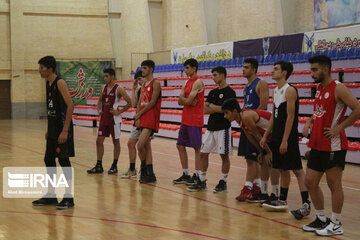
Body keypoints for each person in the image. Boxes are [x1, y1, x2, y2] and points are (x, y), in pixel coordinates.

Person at [302, 55, 360, 236]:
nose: (312, 73)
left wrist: (340, 127)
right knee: (310, 182)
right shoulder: (319, 88)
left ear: (325, 70)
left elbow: (358, 109)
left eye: (315, 70)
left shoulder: (338, 88)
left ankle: (336, 223)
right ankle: (321, 218)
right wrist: (309, 121)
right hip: (318, 143)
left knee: (334, 184)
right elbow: (320, 112)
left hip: (334, 145)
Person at [259, 61, 311, 220]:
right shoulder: (276, 91)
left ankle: (306, 204)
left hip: (288, 138)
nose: (272, 72)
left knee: (297, 170)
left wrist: (285, 140)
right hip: (277, 137)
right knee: (282, 169)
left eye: (276, 69)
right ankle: (282, 200)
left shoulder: (290, 91)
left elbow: (290, 117)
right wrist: (265, 135)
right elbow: (274, 117)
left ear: (284, 72)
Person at [32, 56, 75, 209]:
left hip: (63, 128)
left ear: (50, 69)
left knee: (64, 161)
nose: (39, 71)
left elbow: (70, 105)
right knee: (48, 160)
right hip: (53, 129)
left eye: (42, 68)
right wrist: (49, 129)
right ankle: (51, 195)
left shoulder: (60, 83)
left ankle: (69, 197)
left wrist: (65, 130)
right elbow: (52, 109)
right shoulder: (47, 83)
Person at [187, 66, 236, 192]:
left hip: (223, 128)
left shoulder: (230, 92)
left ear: (222, 75)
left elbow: (226, 110)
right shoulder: (212, 92)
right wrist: (217, 108)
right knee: (203, 154)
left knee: (224, 156)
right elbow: (205, 108)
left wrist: (214, 107)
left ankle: (223, 182)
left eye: (215, 75)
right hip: (210, 128)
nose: (212, 77)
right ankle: (202, 181)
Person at [222, 98, 273, 196]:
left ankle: (272, 193)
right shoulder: (240, 120)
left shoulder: (246, 117)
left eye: (226, 113)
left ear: (235, 111)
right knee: (264, 163)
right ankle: (262, 192)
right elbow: (251, 138)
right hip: (268, 134)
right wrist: (260, 152)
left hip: (276, 129)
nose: (225, 116)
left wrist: (269, 152)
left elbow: (258, 136)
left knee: (272, 163)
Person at [236, 58, 269, 202]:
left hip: (255, 125)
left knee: (254, 158)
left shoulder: (260, 83)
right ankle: (255, 186)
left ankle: (248, 187)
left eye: (246, 67)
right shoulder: (246, 86)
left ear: (254, 69)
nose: (243, 69)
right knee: (250, 158)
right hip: (247, 125)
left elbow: (263, 107)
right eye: (243, 67)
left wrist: (252, 122)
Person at [87, 68, 131, 174]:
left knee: (115, 141)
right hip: (104, 119)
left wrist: (119, 112)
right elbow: (99, 101)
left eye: (107, 76)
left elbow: (130, 102)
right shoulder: (103, 88)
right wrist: (99, 110)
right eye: (104, 76)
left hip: (114, 120)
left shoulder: (119, 89)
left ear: (112, 76)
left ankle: (114, 165)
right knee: (99, 141)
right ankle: (99, 165)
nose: (105, 78)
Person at [173, 58, 204, 185]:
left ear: (194, 68)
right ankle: (186, 174)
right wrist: (186, 100)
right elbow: (180, 100)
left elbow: (187, 100)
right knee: (180, 145)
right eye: (185, 68)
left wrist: (185, 100)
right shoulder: (186, 82)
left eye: (187, 68)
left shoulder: (198, 82)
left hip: (195, 120)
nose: (185, 70)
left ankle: (197, 175)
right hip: (185, 119)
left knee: (197, 148)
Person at [120, 71, 154, 178]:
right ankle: (132, 169)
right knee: (131, 143)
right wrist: (133, 89)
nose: (139, 81)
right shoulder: (140, 90)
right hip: (138, 119)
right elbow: (134, 104)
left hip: (147, 120)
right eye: (137, 80)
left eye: (140, 79)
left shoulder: (151, 88)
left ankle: (148, 169)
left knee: (146, 145)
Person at [134, 60, 161, 183]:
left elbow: (153, 102)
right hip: (143, 117)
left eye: (144, 68)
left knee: (139, 145)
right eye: (142, 68)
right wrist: (138, 117)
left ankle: (143, 168)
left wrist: (139, 113)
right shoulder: (144, 84)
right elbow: (139, 102)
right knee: (146, 146)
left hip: (150, 117)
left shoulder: (156, 83)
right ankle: (150, 173)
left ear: (151, 69)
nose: (142, 70)